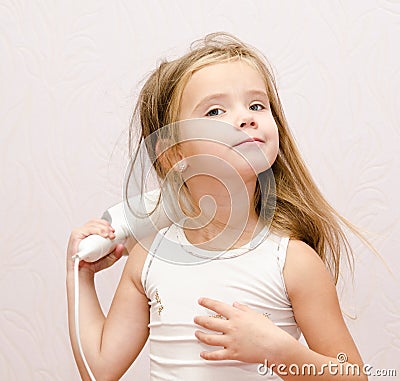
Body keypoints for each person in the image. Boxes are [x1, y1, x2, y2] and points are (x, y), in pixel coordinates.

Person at [66, 32, 368, 380]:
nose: (246, 117)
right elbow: (99, 370)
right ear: (173, 154)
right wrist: (80, 276)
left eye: (257, 105)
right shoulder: (148, 257)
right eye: (215, 110)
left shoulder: (292, 262)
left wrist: (280, 351)